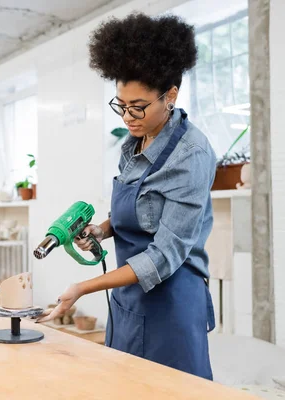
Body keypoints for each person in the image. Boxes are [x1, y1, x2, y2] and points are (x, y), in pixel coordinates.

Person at [37, 13, 217, 380]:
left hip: (171, 300)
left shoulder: (191, 155)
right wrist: (102, 231)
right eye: (121, 104)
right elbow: (137, 213)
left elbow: (165, 254)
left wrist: (84, 287)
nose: (128, 116)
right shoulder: (133, 141)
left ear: (170, 96)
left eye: (138, 106)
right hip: (128, 296)